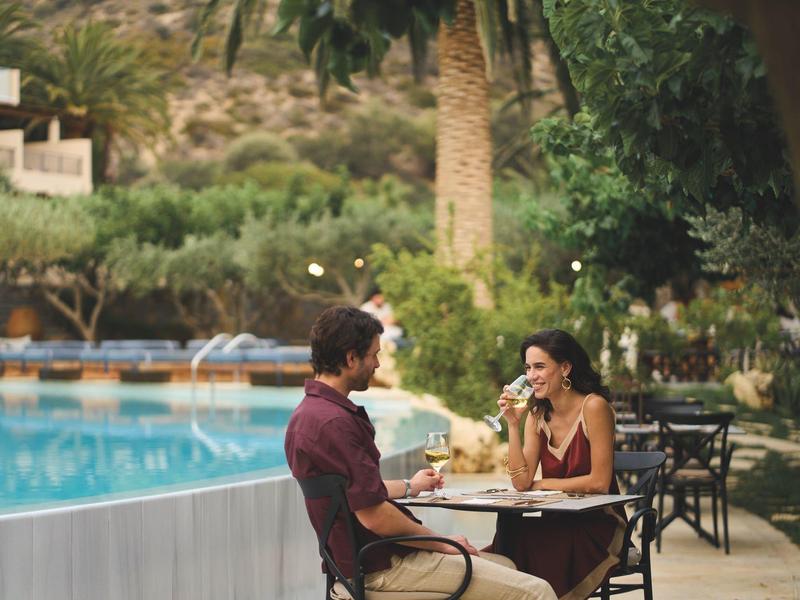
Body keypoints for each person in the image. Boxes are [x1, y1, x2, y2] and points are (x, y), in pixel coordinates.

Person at [285, 306, 557, 600]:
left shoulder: (307, 416)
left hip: (362, 562)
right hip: (382, 568)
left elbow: (354, 492)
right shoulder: (335, 422)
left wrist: (410, 486)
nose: (377, 364)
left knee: (506, 565)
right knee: (536, 591)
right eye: (374, 354)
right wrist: (442, 542)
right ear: (351, 358)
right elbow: (375, 516)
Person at [485, 329, 625, 600]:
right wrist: (513, 424)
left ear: (565, 368)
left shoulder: (594, 407)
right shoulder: (536, 415)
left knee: (529, 542)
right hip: (558, 520)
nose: (531, 376)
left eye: (540, 366)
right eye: (527, 368)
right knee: (510, 528)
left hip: (596, 526)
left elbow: (598, 482)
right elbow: (521, 482)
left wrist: (542, 483)